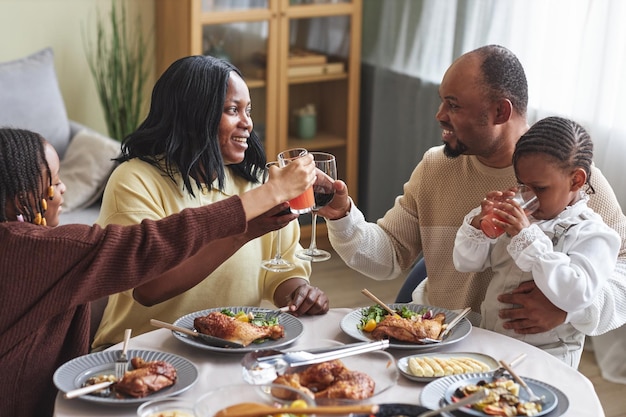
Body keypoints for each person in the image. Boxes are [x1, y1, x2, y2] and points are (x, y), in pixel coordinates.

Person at [318, 44, 626, 341]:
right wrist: (342, 215)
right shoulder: (435, 167)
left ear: (500, 112)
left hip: (523, 359)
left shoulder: (571, 184)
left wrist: (568, 311)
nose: (439, 114)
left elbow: (621, 271)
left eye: (453, 105)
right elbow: (388, 257)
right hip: (438, 342)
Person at [0, 127, 316, 417]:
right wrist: (265, 196)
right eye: (53, 182)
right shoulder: (43, 249)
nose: (63, 188)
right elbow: (150, 242)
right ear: (20, 198)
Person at [91, 55, 329, 351]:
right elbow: (149, 288)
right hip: (140, 352)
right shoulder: (135, 180)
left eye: (248, 111)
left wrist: (300, 294)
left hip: (231, 351)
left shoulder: (257, 183)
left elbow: (279, 274)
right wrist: (242, 231)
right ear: (194, 114)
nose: (248, 123)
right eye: (232, 110)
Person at [453, 116, 620, 367]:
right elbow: (466, 262)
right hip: (493, 343)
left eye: (540, 189)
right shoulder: (522, 219)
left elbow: (577, 294)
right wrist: (480, 225)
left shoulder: (594, 234)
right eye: (522, 185)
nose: (528, 196)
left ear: (576, 180)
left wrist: (528, 238)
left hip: (548, 359)